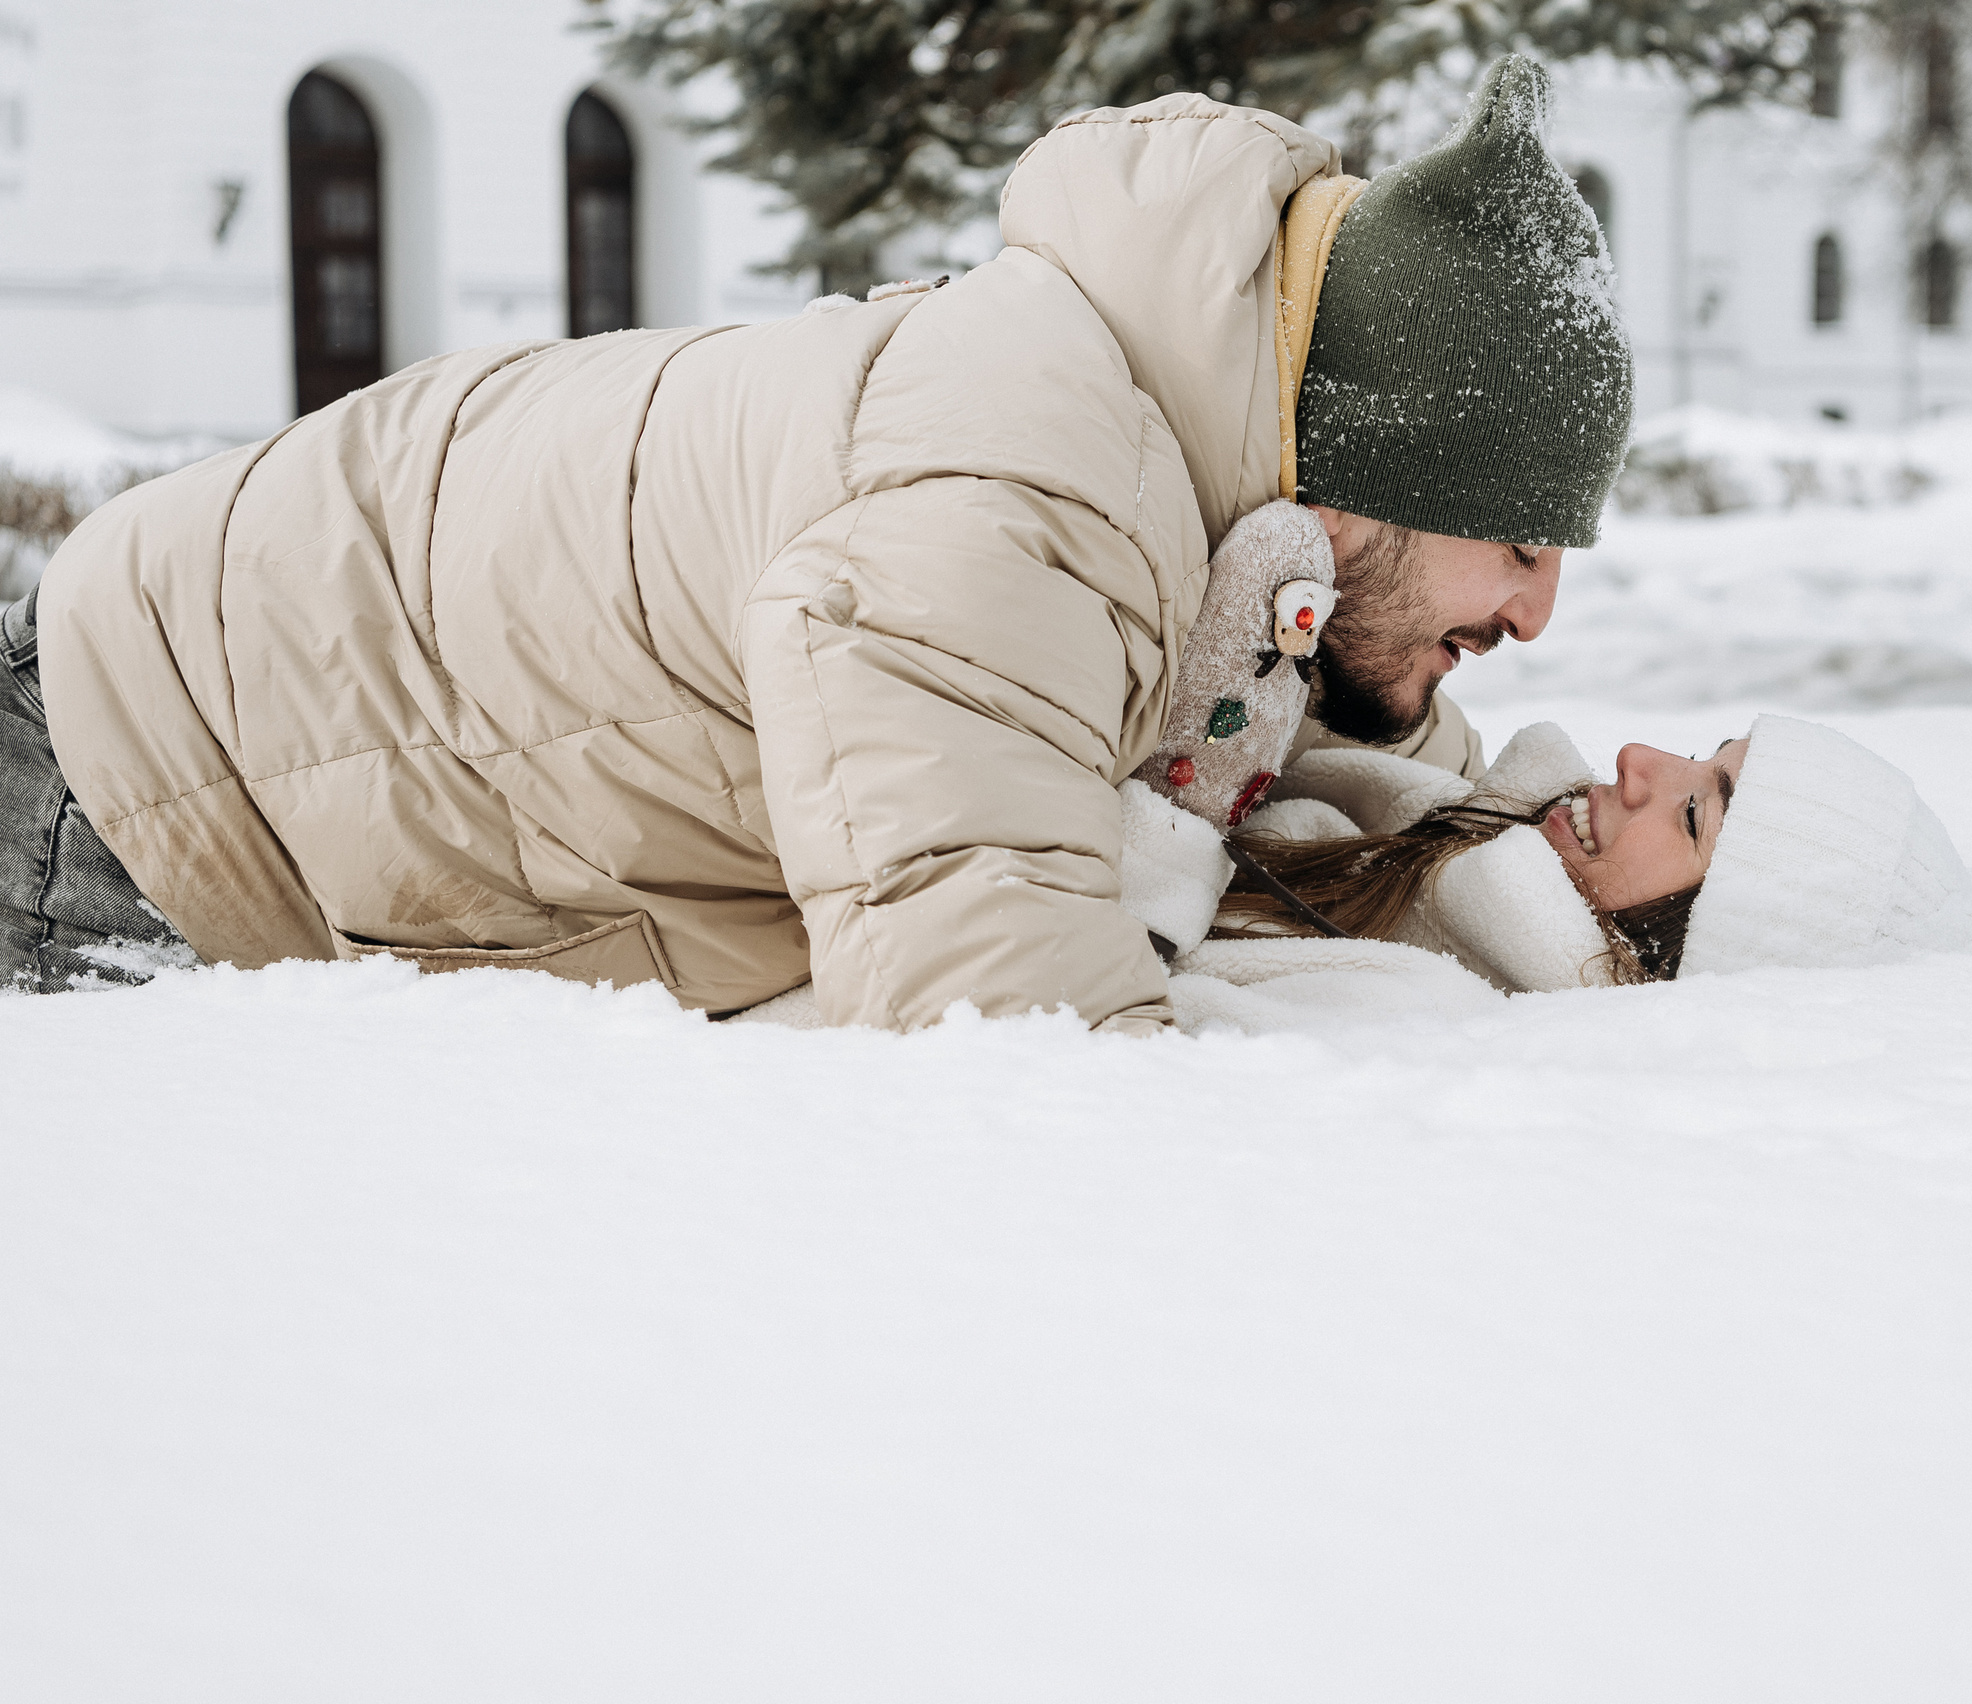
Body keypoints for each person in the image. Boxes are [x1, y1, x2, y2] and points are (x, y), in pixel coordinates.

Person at [0, 55, 1633, 1028]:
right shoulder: (1034, 499)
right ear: (1361, 471)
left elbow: (1282, 714)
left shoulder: (1183, 487)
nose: (1541, 609)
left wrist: (1526, 850)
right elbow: (1003, 1026)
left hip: (200, 697)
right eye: (1519, 543)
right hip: (141, 779)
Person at [1146, 712, 1972, 1027]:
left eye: (1693, 812)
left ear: (1683, 947)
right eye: (1701, 758)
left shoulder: (1422, 1019)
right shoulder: (1448, 820)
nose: (1637, 759)